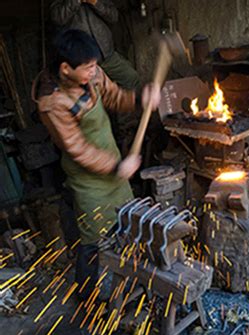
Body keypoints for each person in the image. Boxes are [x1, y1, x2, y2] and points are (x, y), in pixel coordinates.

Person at [32, 29, 161, 299]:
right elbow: (77, 148)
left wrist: (138, 98)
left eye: (95, 65)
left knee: (126, 221)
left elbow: (114, 97)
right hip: (87, 178)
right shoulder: (52, 102)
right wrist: (116, 167)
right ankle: (88, 297)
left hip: (112, 162)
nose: (94, 71)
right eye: (88, 67)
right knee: (94, 237)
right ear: (66, 69)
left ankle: (126, 281)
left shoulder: (91, 74)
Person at [50, 0, 140, 91]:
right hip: (81, 61)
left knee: (131, 78)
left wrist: (95, 3)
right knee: (91, 91)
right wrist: (76, 1)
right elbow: (57, 19)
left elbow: (113, 16)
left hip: (106, 54)